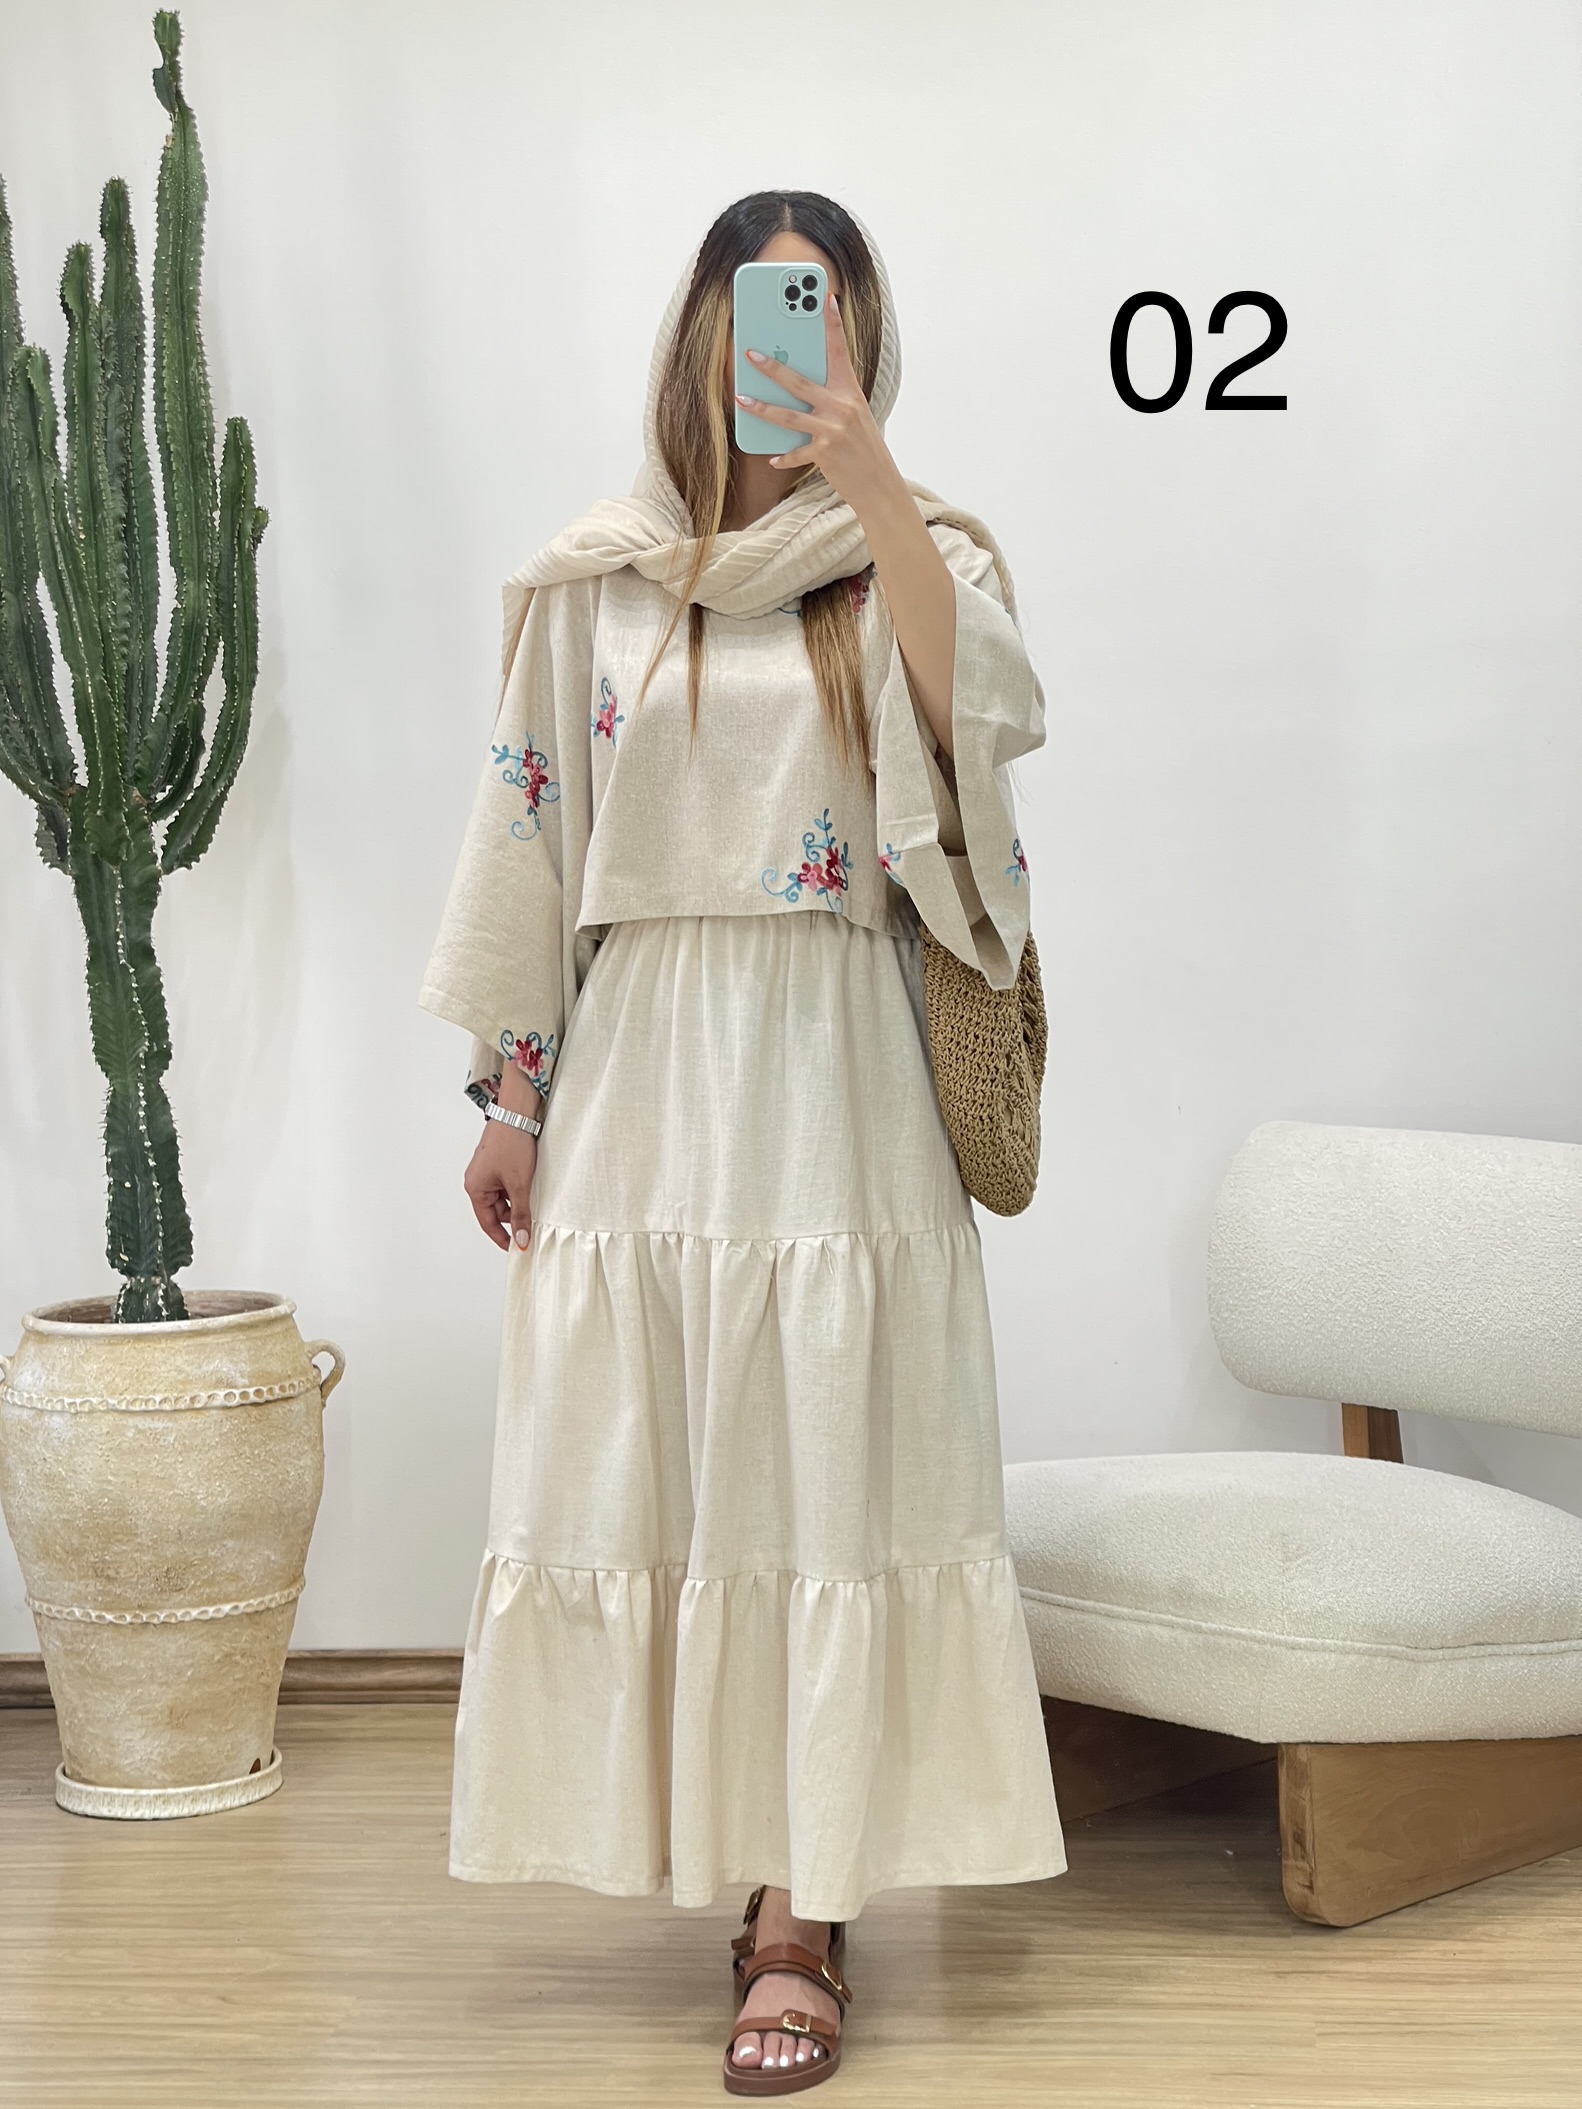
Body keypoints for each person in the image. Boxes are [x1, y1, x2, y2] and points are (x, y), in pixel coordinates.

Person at [419, 189, 1065, 2094]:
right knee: (665, 1470)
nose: (788, 344)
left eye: (822, 311)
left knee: (830, 1473)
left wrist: (865, 483)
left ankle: (802, 1916)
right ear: (703, 331)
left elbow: (980, 728)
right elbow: (528, 839)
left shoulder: (921, 550)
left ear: (859, 333)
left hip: (838, 1065)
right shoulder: (597, 579)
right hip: (643, 1072)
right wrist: (513, 1094)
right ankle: (716, 1845)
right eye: (762, 310)